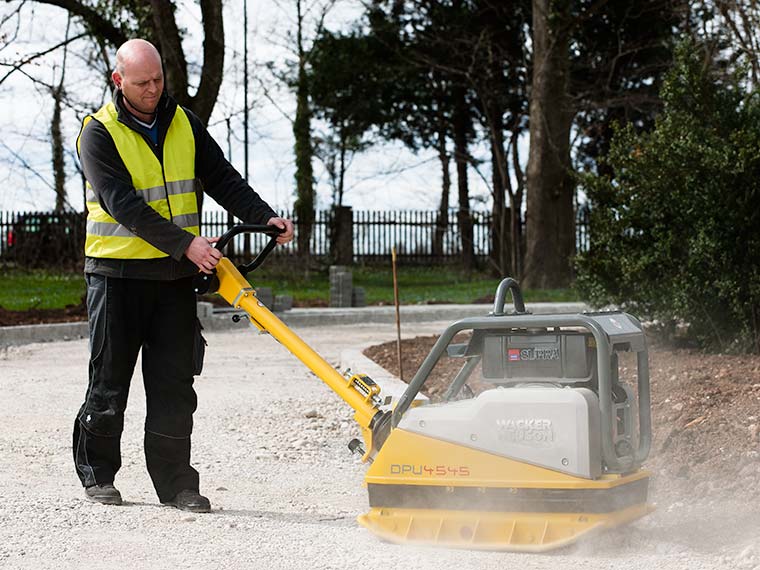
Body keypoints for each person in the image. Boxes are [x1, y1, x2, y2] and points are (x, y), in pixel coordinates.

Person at [73, 38, 294, 513]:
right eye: (141, 82)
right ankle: (98, 475)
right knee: (110, 380)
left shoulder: (184, 124)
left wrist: (264, 217)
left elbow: (222, 178)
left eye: (158, 79)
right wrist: (186, 244)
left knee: (175, 383)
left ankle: (177, 485)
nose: (153, 88)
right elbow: (123, 205)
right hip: (117, 277)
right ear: (119, 81)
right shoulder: (98, 133)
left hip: (174, 277)